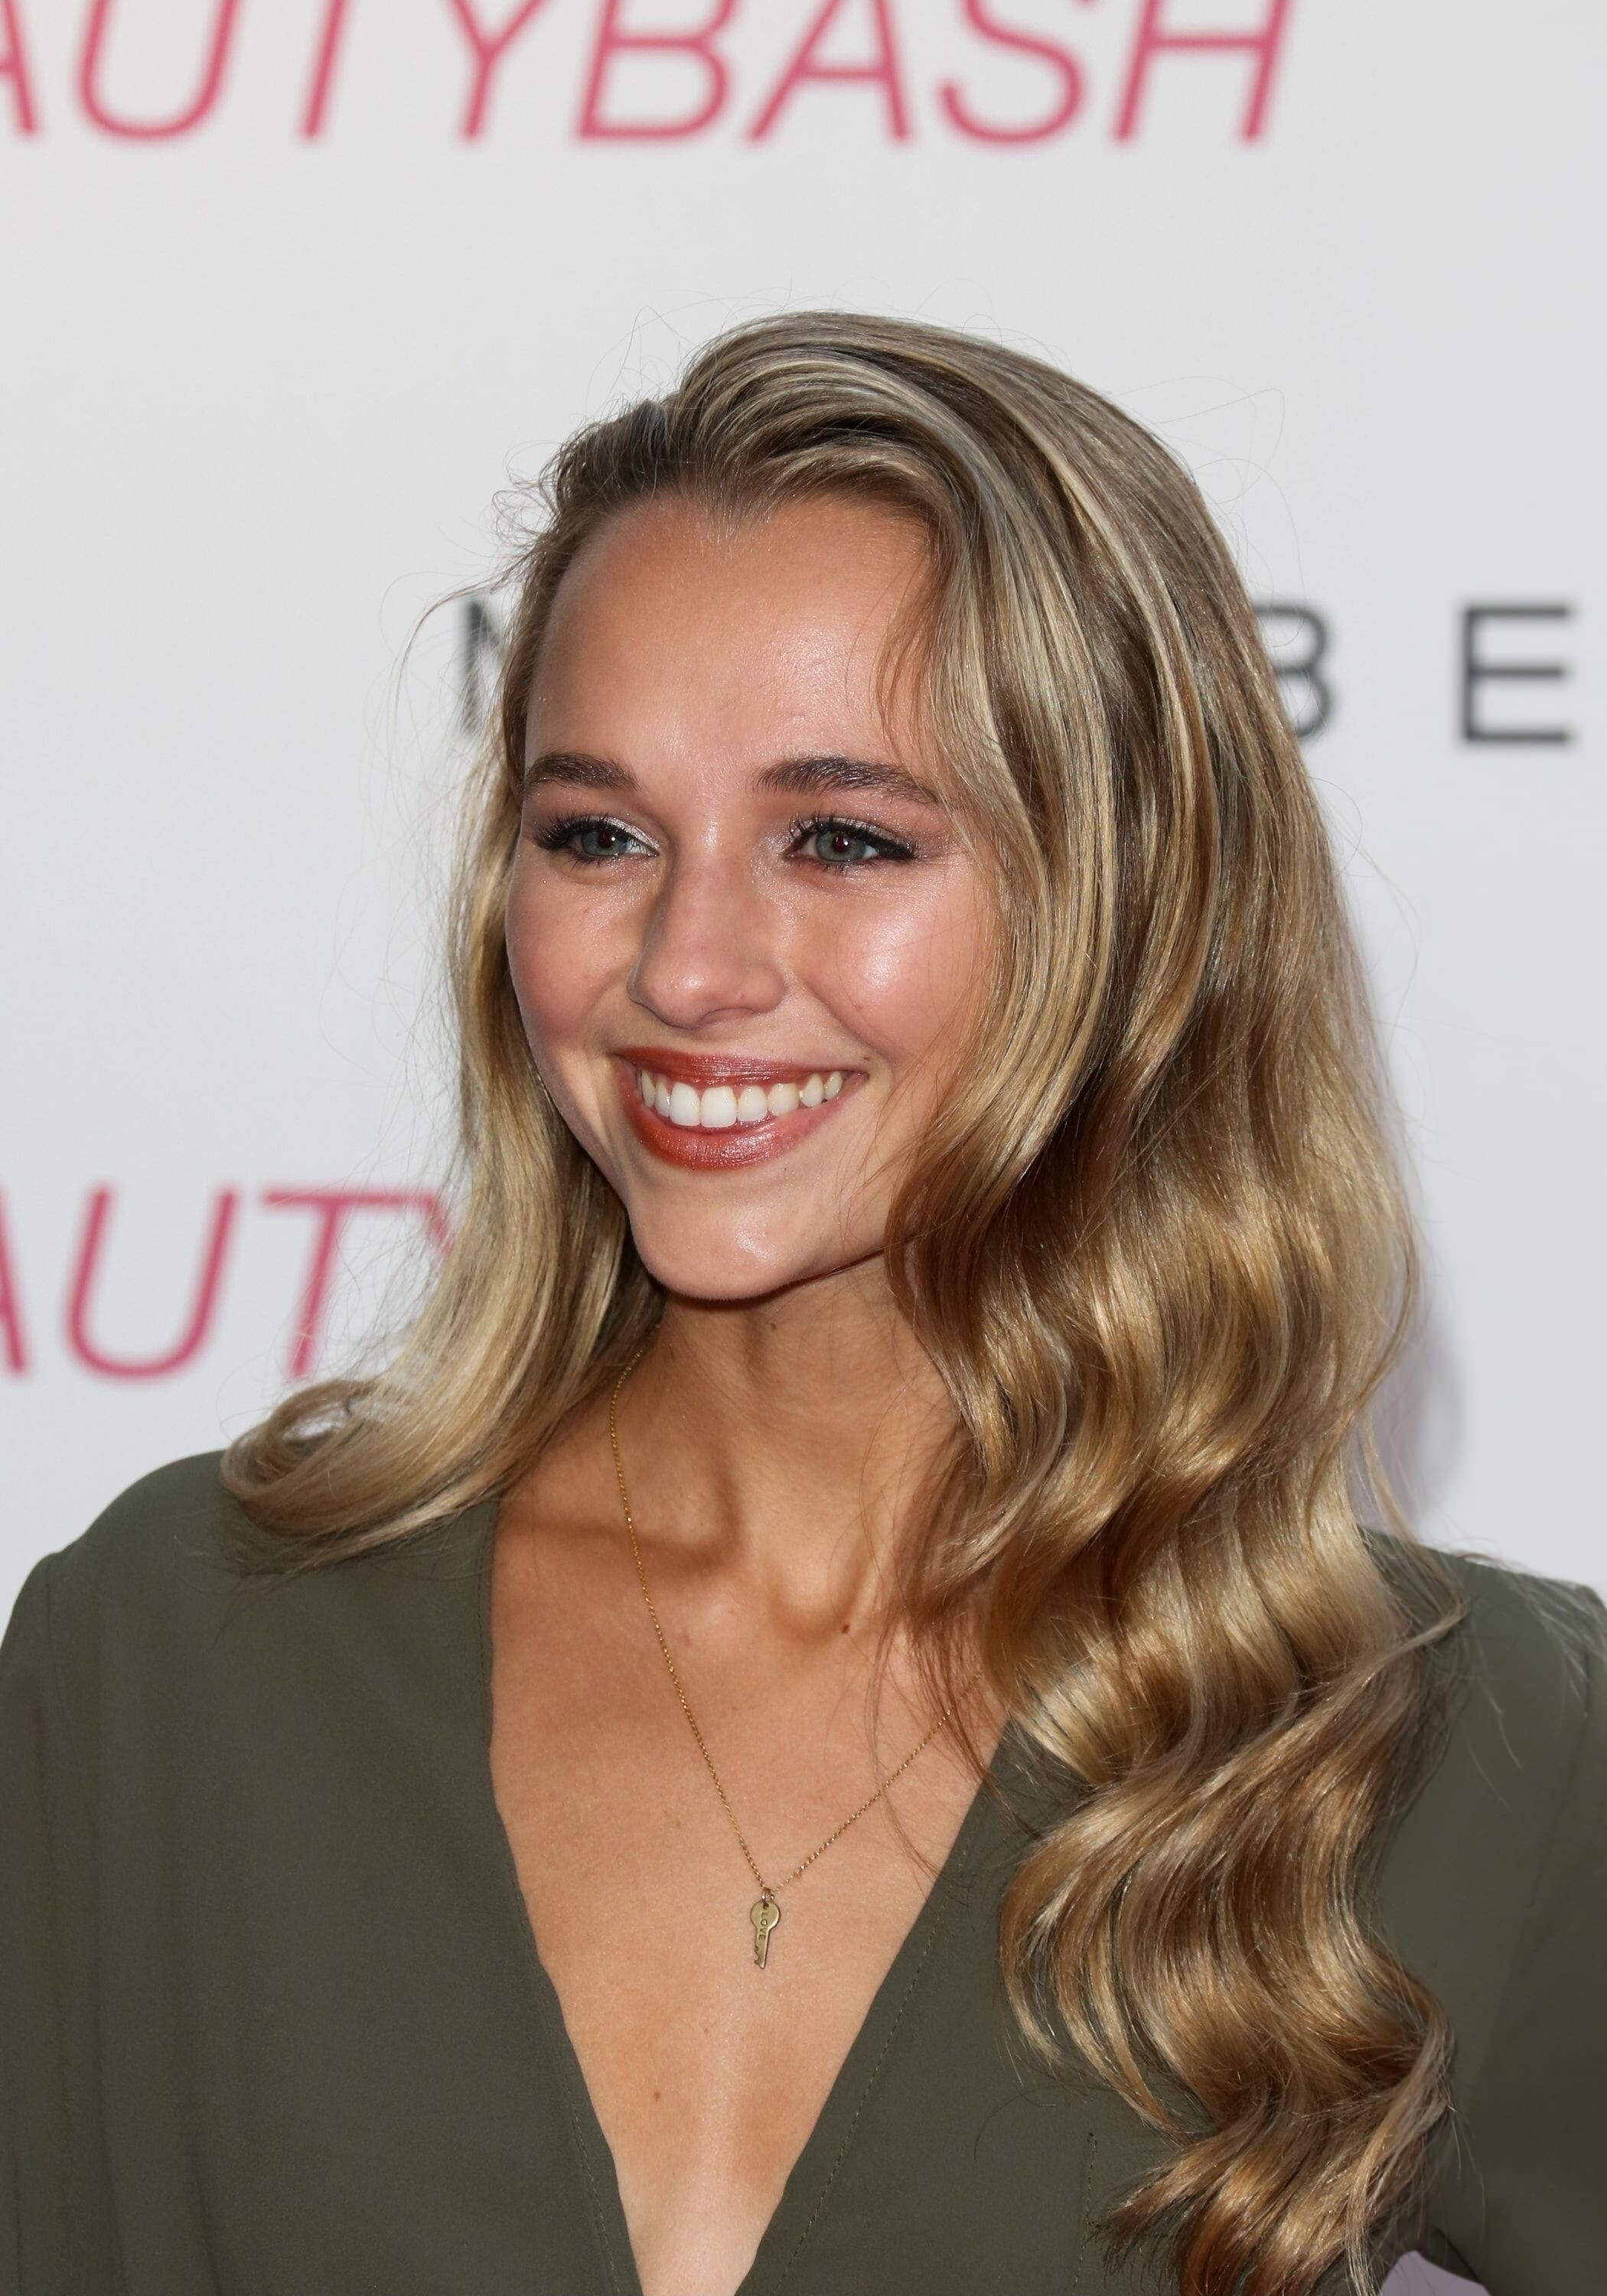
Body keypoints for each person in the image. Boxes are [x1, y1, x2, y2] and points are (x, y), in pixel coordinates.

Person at [2, 311, 1602, 2296]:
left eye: (841, 839)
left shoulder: (1458, 1746)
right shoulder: (179, 1652)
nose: (688, 965)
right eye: (597, 835)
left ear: (1127, 900)